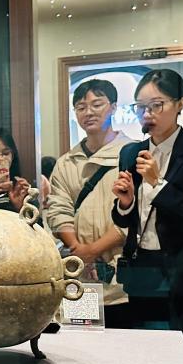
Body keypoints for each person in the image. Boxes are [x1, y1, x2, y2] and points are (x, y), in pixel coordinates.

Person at [111, 68, 183, 347]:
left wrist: (158, 183)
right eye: (140, 107)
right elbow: (126, 220)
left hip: (182, 270)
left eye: (157, 105)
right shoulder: (130, 152)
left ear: (180, 104)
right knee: (142, 346)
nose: (147, 114)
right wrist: (125, 203)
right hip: (141, 268)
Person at [47, 79, 130, 328]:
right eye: (81, 107)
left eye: (97, 104)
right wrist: (79, 250)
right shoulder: (66, 162)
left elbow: (137, 214)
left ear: (113, 107)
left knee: (124, 340)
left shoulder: (132, 153)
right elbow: (58, 209)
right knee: (81, 338)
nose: (89, 112)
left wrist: (93, 250)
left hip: (122, 276)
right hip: (80, 275)